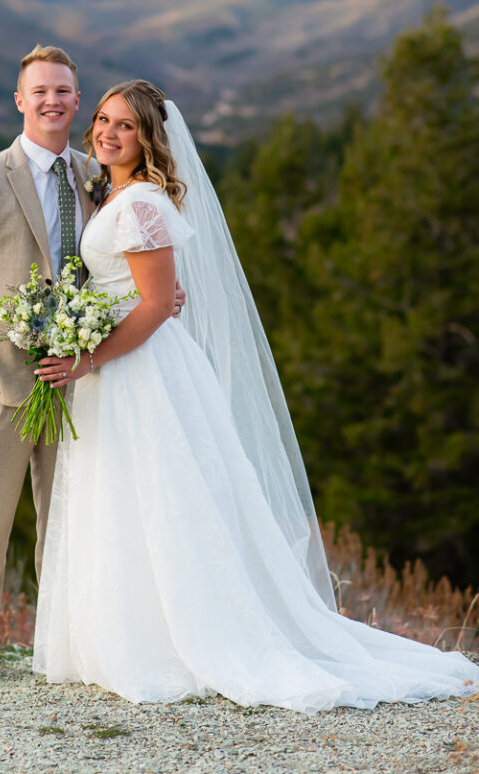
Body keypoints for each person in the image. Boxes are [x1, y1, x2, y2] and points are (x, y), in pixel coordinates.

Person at [33, 80, 479, 711]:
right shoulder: (116, 193)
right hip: (123, 368)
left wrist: (87, 359)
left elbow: (159, 304)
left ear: (150, 137)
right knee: (127, 497)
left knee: (163, 499)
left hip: (140, 372)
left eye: (126, 125)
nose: (108, 132)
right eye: (103, 119)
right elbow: (142, 293)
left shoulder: (140, 206)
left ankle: (179, 640)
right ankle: (130, 636)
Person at [0, 48, 187, 688]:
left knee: (68, 518)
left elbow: (126, 260)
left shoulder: (96, 174)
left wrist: (154, 297)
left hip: (82, 381)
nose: (53, 100)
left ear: (77, 102)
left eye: (65, 92)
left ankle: (62, 641)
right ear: (19, 100)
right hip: (0, 381)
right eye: (39, 90)